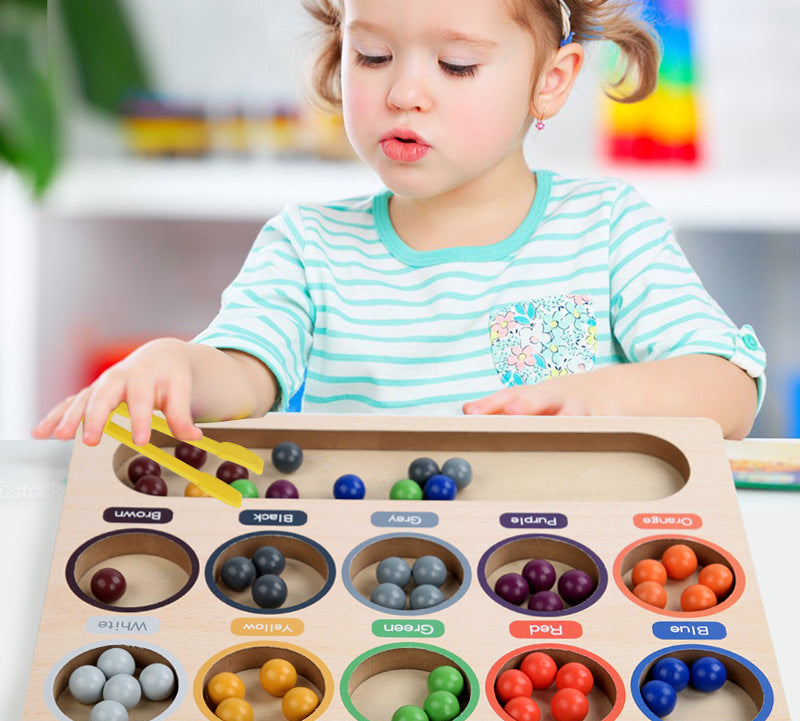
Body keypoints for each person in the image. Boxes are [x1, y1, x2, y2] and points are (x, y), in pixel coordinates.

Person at [34, 0, 765, 447]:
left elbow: (730, 388)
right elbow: (244, 372)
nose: (405, 91)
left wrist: (606, 398)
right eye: (373, 55)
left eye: (455, 65)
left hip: (560, 578)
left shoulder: (606, 229)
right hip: (365, 580)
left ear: (552, 80)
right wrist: (178, 366)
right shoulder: (307, 247)